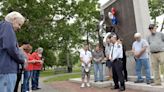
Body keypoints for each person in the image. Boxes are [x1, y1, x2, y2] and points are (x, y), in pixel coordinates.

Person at [0, 11, 26, 92]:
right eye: (19, 24)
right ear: (14, 19)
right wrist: (22, 60)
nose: (19, 28)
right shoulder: (7, 25)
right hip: (7, 70)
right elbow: (11, 47)